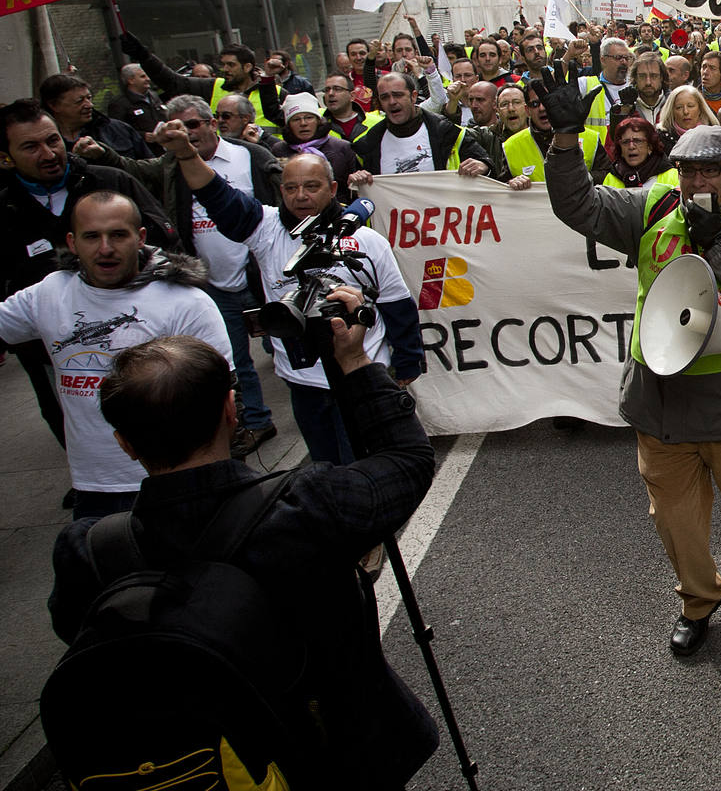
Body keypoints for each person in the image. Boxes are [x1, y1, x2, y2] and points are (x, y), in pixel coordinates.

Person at [46, 293, 440, 787]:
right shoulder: (308, 508)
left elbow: (75, 629)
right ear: (232, 411)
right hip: (334, 755)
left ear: (122, 441)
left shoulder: (86, 550)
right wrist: (355, 360)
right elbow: (407, 461)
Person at [537, 63, 721, 656]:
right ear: (673, 169)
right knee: (676, 522)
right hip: (661, 403)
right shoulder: (651, 206)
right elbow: (578, 206)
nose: (698, 179)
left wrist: (719, 244)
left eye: (711, 168)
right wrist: (562, 143)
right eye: (687, 169)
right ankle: (698, 599)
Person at [157, 121, 423, 466]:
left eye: (311, 187)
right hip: (304, 382)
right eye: (291, 188)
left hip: (362, 374)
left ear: (332, 188)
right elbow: (217, 196)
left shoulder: (368, 241)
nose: (301, 196)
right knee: (326, 464)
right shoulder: (263, 227)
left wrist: (407, 361)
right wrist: (187, 154)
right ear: (280, 191)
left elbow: (396, 303)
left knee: (368, 461)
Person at [0, 191, 230, 520]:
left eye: (118, 235)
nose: (105, 248)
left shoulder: (186, 302)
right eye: (92, 236)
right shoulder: (49, 293)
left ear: (140, 238)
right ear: (72, 241)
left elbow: (221, 395)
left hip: (176, 484)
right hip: (94, 489)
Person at [78, 95, 281, 458]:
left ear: (212, 124)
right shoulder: (172, 164)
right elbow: (135, 170)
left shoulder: (250, 156)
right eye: (177, 128)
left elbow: (280, 199)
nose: (187, 134)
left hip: (259, 277)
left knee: (285, 345)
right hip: (211, 283)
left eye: (193, 125)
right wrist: (102, 154)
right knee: (233, 359)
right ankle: (254, 420)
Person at [1, 100, 177, 457]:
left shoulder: (108, 180)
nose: (49, 153)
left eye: (53, 140)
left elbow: (166, 241)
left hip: (137, 334)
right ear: (6, 157)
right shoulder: (5, 209)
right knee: (68, 414)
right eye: (31, 147)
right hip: (50, 349)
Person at [122, 33, 284, 134]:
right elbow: (172, 82)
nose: (225, 69)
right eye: (223, 64)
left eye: (231, 65)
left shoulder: (276, 93)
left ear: (247, 66)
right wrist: (143, 56)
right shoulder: (212, 87)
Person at [348, 73, 491, 187]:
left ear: (413, 96)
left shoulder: (448, 133)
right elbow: (356, 194)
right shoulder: (367, 145)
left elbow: (487, 164)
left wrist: (483, 166)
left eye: (398, 95)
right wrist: (356, 181)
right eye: (385, 97)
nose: (392, 102)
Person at [265, 92, 357, 203]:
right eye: (296, 119)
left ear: (318, 121)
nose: (303, 123)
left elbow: (355, 190)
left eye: (309, 117)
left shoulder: (342, 147)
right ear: (288, 124)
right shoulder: (279, 150)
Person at [40, 73, 149, 160]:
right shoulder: (42, 142)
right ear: (54, 105)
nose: (89, 105)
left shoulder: (118, 129)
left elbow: (148, 170)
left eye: (89, 98)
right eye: (79, 101)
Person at [599, 116, 676, 189]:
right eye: (625, 142)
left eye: (637, 141)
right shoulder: (611, 178)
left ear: (650, 146)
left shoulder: (671, 176)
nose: (631, 146)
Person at [319, 74, 382, 143]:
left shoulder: (377, 122)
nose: (330, 93)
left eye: (337, 89)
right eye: (327, 90)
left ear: (352, 96)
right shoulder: (317, 121)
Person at [107, 63, 167, 137]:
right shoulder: (119, 104)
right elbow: (117, 130)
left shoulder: (154, 96)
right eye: (142, 76)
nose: (148, 79)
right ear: (131, 80)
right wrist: (143, 136)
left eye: (147, 75)